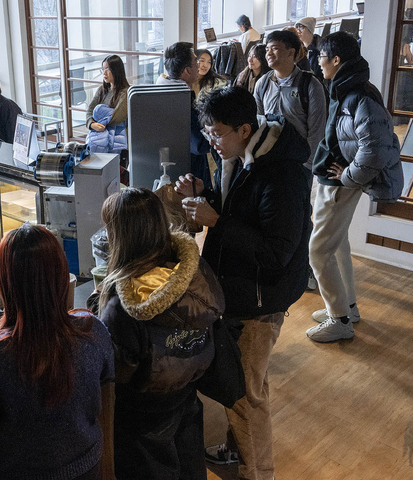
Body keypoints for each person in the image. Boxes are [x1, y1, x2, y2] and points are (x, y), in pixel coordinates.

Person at [176, 86, 311, 480]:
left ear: (245, 128)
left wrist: (216, 220)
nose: (212, 142)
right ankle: (238, 454)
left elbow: (275, 254)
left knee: (246, 397)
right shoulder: (244, 157)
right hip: (239, 291)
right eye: (207, 133)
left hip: (260, 300)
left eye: (217, 133)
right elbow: (242, 211)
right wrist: (205, 195)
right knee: (247, 384)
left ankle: (259, 474)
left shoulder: (282, 175)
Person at [0, 223, 115, 480]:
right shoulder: (92, 330)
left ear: (5, 283)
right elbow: (105, 377)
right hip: (86, 464)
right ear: (61, 274)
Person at [96, 187, 223, 480]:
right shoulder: (194, 272)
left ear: (120, 236)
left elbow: (120, 369)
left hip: (144, 409)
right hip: (187, 390)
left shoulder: (124, 303)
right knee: (190, 465)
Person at [306, 32, 402, 342]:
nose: (318, 63)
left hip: (339, 183)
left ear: (336, 60)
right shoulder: (346, 87)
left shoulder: (358, 95)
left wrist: (347, 176)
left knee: (318, 252)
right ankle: (347, 307)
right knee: (337, 245)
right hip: (331, 179)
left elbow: (375, 149)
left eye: (321, 57)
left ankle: (340, 320)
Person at [254, 29, 327, 171]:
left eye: (274, 49)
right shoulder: (263, 83)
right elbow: (258, 121)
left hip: (299, 163)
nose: (268, 54)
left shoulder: (310, 85)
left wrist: (307, 165)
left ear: (291, 52)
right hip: (268, 161)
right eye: (267, 49)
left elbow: (316, 131)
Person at [157, 42, 213, 188]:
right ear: (187, 71)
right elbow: (198, 144)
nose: (199, 66)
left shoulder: (161, 89)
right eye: (196, 62)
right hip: (187, 174)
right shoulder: (179, 99)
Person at [85, 55, 130, 154]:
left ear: (116, 71)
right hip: (101, 138)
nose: (104, 73)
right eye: (103, 69)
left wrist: (98, 118)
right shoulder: (102, 90)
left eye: (107, 69)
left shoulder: (126, 92)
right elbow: (90, 111)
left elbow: (117, 118)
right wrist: (92, 124)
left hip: (118, 143)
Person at [295, 17, 325, 84]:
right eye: (297, 28)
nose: (298, 31)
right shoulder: (298, 47)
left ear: (310, 29)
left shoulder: (319, 48)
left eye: (301, 28)